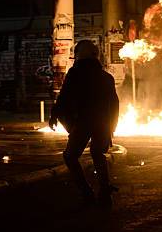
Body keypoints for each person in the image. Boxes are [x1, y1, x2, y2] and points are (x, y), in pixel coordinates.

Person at [49, 40, 119, 207]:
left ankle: (86, 192)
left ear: (80, 54)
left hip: (83, 122)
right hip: (102, 123)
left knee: (70, 156)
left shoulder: (75, 73)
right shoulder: (106, 77)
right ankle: (104, 190)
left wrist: (54, 116)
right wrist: (111, 129)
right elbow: (114, 104)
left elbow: (64, 97)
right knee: (98, 154)